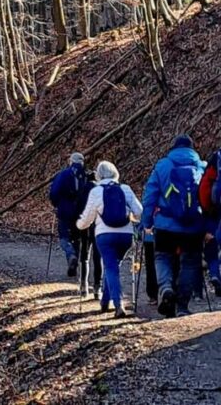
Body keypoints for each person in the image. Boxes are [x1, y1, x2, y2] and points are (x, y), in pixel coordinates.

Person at [141, 135, 205, 318]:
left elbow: (150, 196)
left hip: (165, 224)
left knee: (162, 257)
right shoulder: (201, 166)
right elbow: (209, 198)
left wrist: (147, 223)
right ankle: (182, 306)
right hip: (193, 225)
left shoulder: (162, 166)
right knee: (190, 263)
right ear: (192, 148)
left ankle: (166, 287)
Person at [78, 161, 143, 318]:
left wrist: (80, 225)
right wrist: (131, 218)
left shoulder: (96, 191)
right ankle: (105, 301)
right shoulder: (125, 189)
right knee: (112, 266)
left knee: (111, 267)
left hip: (105, 236)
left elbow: (86, 219)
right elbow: (139, 210)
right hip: (125, 236)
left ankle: (118, 304)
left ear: (99, 175)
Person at [50, 153, 89, 277]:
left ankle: (71, 255)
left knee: (64, 237)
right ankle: (74, 261)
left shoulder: (64, 174)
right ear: (82, 162)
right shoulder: (87, 175)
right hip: (81, 211)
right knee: (76, 237)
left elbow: (54, 192)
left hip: (65, 210)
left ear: (71, 161)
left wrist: (56, 204)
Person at [76, 169, 102, 299]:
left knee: (84, 255)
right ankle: (97, 287)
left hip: (86, 224)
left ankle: (83, 285)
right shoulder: (101, 189)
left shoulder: (83, 189)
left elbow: (79, 206)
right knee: (98, 257)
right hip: (98, 225)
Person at [198, 149, 221, 297]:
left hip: (212, 212)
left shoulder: (213, 164)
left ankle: (214, 274)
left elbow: (203, 191)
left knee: (212, 245)